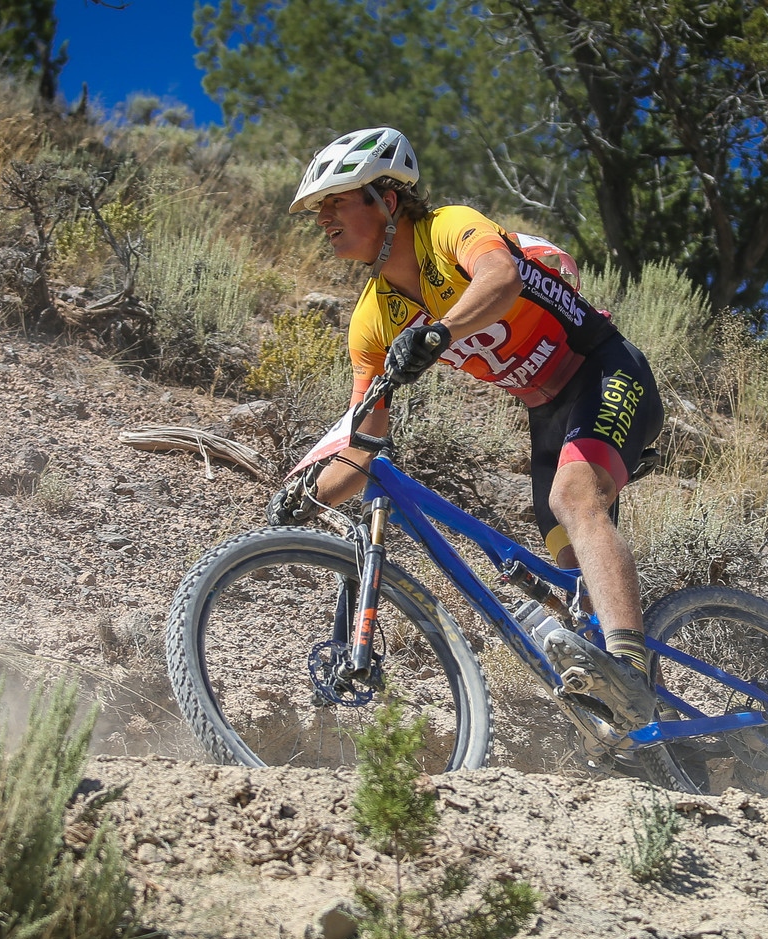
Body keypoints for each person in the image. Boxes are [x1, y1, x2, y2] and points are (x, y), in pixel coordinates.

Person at [269, 126, 665, 731]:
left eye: (336, 202)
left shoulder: (449, 227)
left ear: (387, 200)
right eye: (319, 209)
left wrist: (439, 332)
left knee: (573, 498)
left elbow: (501, 279)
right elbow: (364, 442)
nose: (323, 219)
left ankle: (631, 670)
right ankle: (636, 731)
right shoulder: (372, 320)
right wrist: (307, 498)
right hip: (548, 413)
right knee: (570, 585)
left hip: (605, 370)